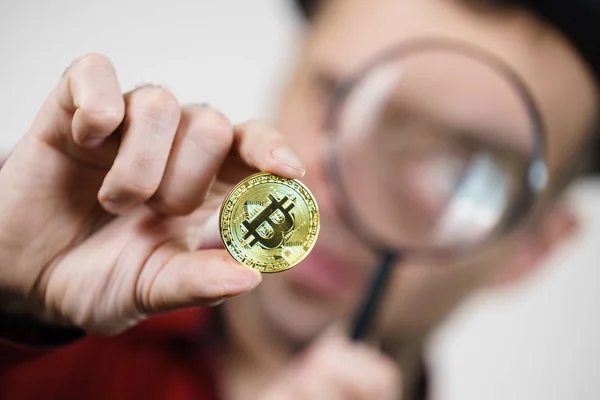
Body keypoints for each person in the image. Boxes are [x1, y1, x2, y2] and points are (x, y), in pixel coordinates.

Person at [0, 0, 598, 399]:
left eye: (459, 170)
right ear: (285, 82)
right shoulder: (49, 334)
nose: (344, 197)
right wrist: (14, 306)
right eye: (340, 96)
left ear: (533, 249)